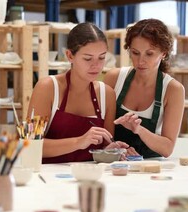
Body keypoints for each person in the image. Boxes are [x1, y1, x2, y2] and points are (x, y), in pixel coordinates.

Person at [28, 22, 128, 164]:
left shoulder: (107, 94)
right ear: (70, 56)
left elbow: (105, 145)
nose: (96, 65)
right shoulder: (48, 88)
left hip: (89, 175)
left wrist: (113, 150)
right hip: (48, 177)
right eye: (87, 58)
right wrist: (79, 142)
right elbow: (30, 145)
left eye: (101, 57)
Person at [104, 18, 185, 158]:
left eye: (149, 54)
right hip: (114, 163)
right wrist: (114, 149)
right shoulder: (114, 78)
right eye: (135, 53)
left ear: (164, 53)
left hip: (150, 168)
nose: (140, 61)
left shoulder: (173, 90)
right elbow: (102, 130)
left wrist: (138, 129)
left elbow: (167, 149)